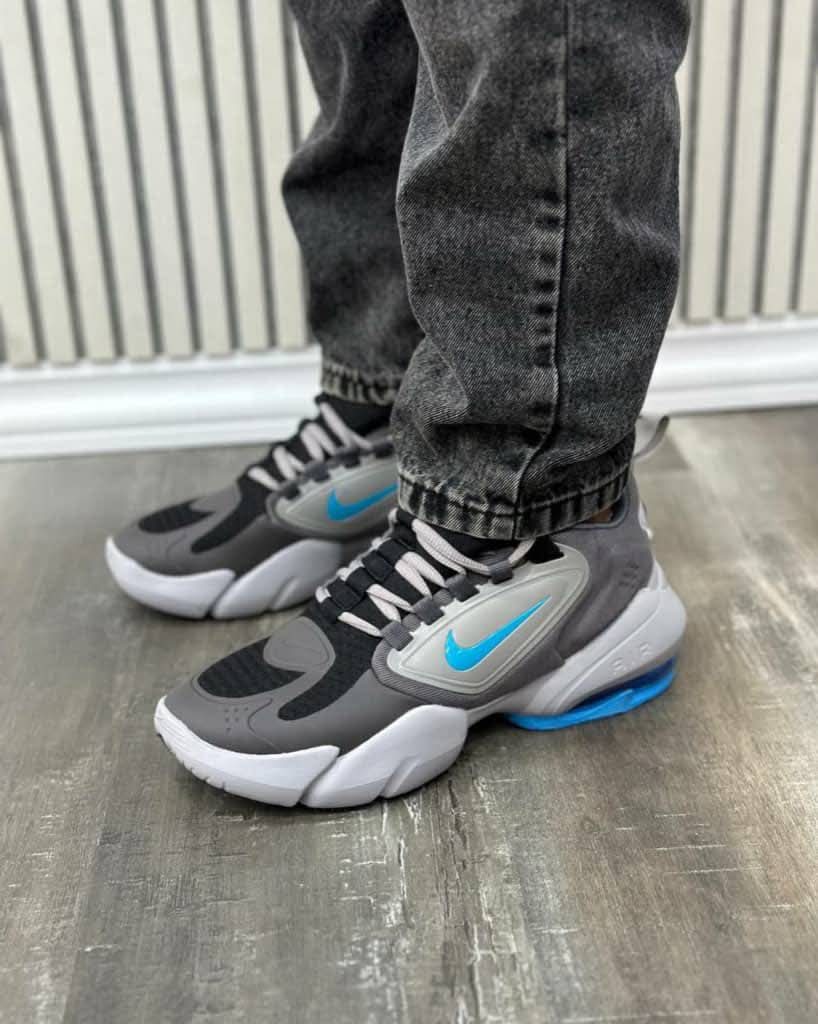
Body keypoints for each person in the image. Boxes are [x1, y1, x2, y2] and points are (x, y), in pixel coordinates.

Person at [107, 0, 690, 808]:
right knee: (366, 38)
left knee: (523, 32)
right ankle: (390, 416)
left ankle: (535, 523)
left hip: (537, 501)